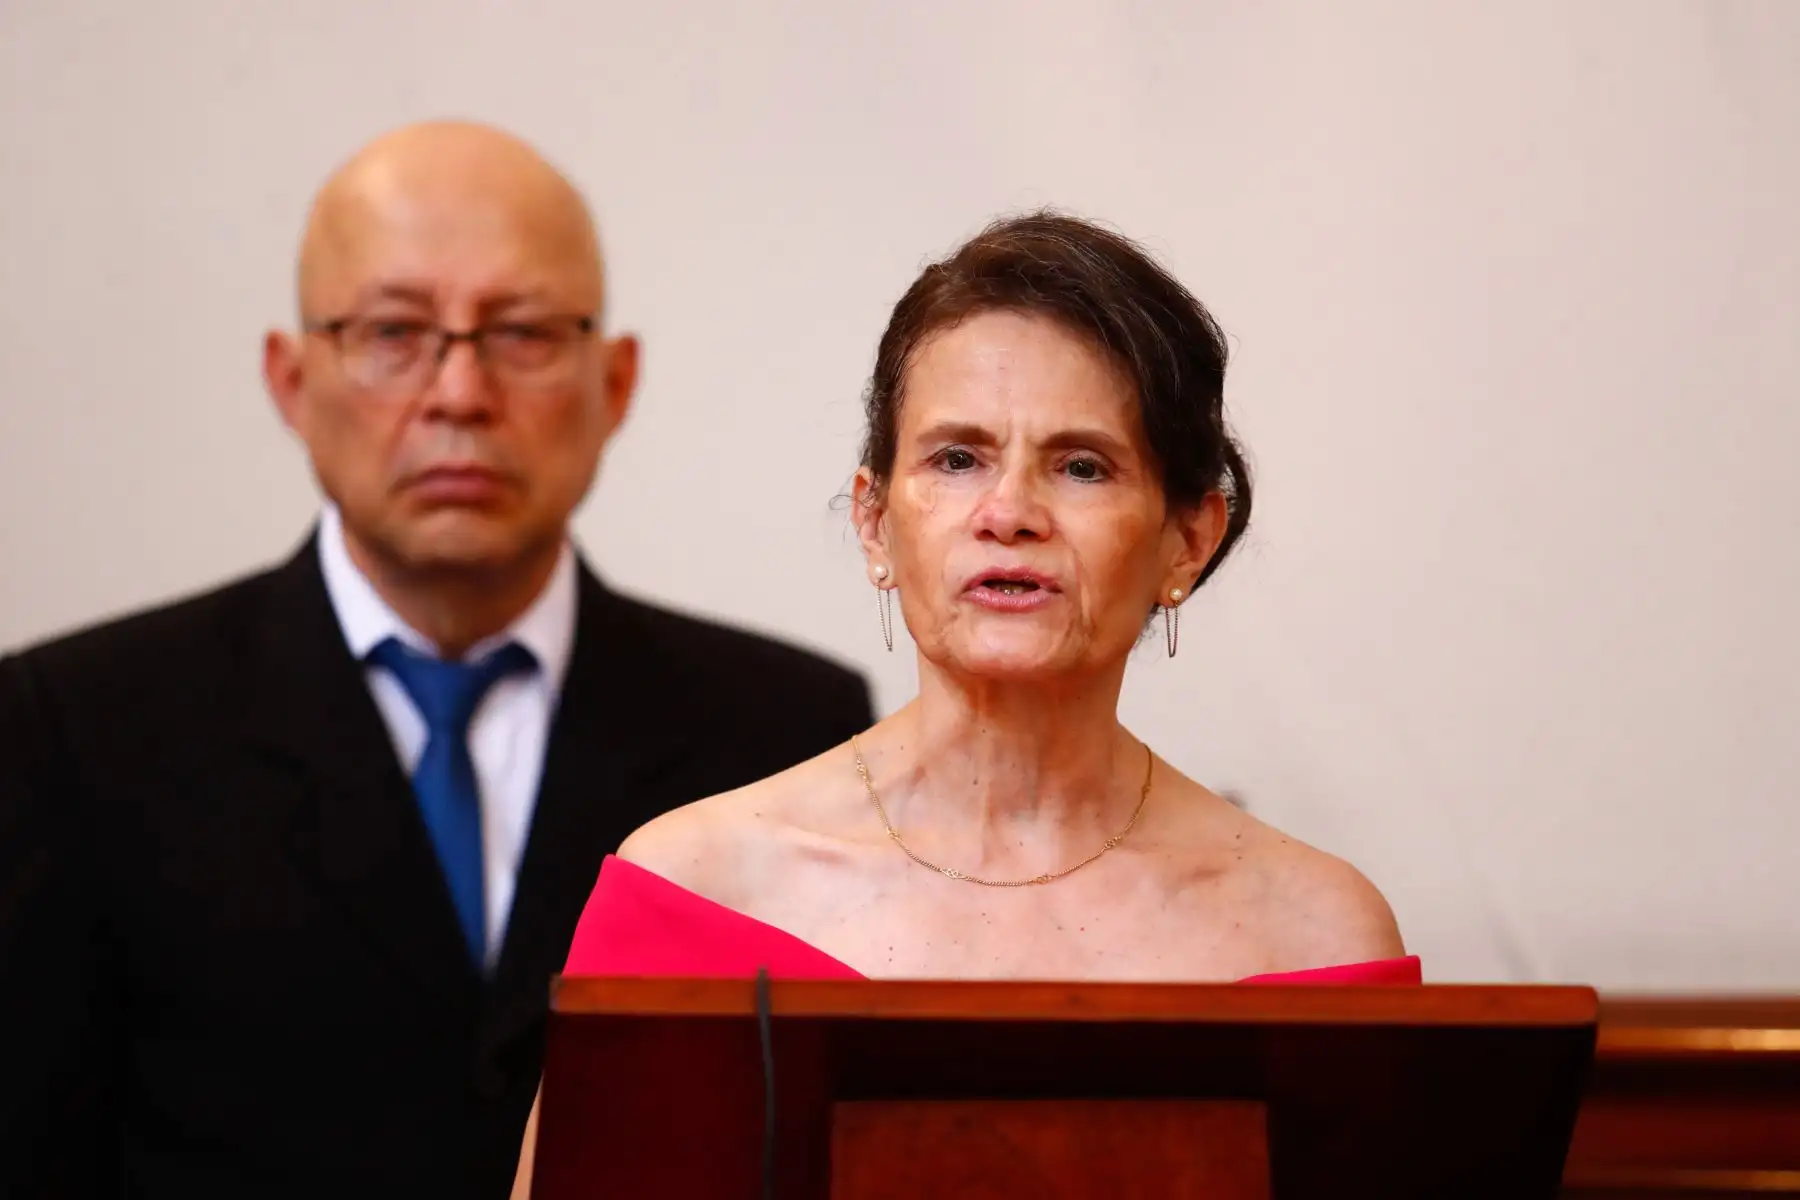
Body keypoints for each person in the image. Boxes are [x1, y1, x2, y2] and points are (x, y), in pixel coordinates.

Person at [0, 120, 872, 1200]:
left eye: (522, 334)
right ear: (290, 380)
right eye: (393, 332)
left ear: (615, 383)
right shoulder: (76, 731)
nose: (459, 394)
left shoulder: (785, 731)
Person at [507, 210, 1414, 1194]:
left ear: (1188, 539)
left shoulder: (1318, 933)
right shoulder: (687, 893)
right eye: (956, 459)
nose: (1009, 513)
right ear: (874, 523)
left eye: (1081, 466)